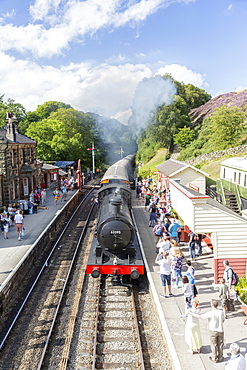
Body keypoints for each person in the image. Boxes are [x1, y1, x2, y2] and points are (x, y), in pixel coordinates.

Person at [190, 299, 224, 363]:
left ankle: (214, 358)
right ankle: (220, 357)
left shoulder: (210, 313)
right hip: (220, 330)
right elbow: (223, 320)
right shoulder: (221, 312)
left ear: (212, 305)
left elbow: (200, 317)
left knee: (213, 345)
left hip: (213, 331)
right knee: (220, 344)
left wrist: (191, 313)